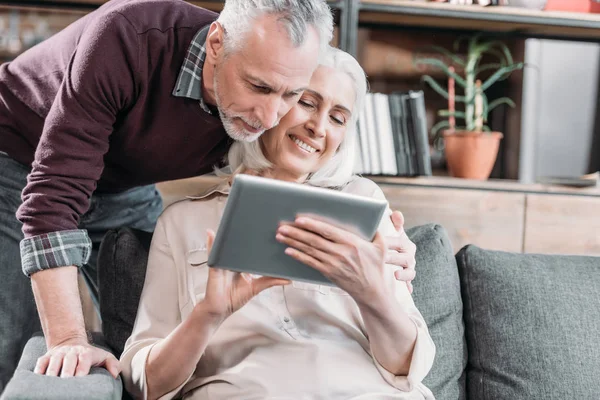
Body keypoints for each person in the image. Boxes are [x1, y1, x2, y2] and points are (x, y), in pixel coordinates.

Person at [0, 0, 337, 390]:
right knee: (15, 344)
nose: (269, 117)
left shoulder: (285, 69)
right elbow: (52, 196)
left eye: (291, 94)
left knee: (154, 333)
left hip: (127, 183)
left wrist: (382, 245)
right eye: (258, 87)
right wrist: (69, 341)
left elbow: (312, 167)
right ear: (216, 44)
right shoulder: (128, 36)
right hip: (18, 160)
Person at [120, 46, 434, 400]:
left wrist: (371, 293)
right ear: (273, 104)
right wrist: (209, 314)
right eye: (308, 102)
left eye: (338, 118)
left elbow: (408, 367)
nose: (318, 127)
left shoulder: (365, 201)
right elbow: (144, 384)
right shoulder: (182, 222)